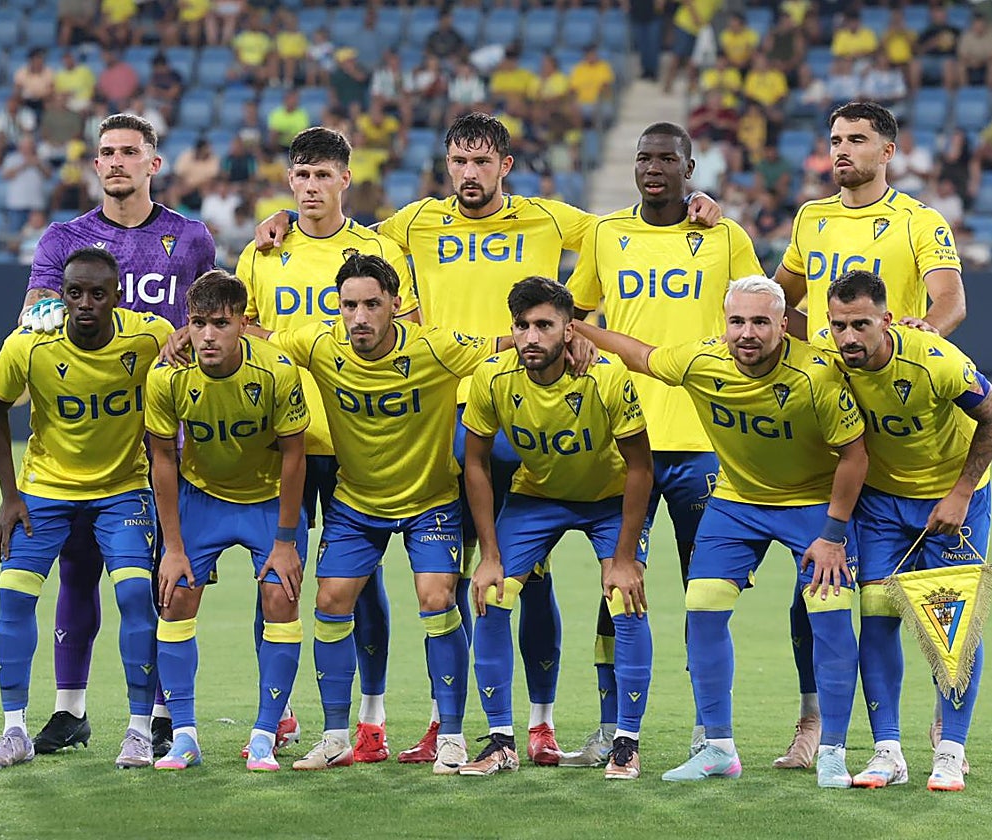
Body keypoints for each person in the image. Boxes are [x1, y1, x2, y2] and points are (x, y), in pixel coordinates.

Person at [252, 111, 723, 766]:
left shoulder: (552, 219)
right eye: (457, 162)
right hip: (453, 420)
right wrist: (281, 216)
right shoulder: (414, 222)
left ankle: (540, 721)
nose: (468, 175)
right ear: (446, 165)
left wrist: (696, 204)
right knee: (465, 578)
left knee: (531, 578)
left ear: (505, 165)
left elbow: (634, 228)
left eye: (481, 163)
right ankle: (460, 725)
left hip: (529, 415)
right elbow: (332, 226)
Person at [575, 276, 868, 788]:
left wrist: (834, 533)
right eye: (737, 321)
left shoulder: (818, 375)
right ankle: (718, 747)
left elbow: (854, 455)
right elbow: (643, 355)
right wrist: (579, 327)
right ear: (724, 324)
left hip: (811, 503)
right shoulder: (701, 361)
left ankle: (834, 752)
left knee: (829, 611)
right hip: (737, 502)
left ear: (784, 325)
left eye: (760, 321)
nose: (747, 332)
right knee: (704, 605)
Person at [561, 121, 763, 766]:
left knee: (705, 594)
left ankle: (711, 732)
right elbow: (579, 313)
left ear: (690, 166)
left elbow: (761, 309)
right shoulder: (606, 234)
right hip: (626, 440)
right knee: (616, 589)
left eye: (666, 159)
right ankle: (612, 728)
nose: (653, 167)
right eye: (644, 157)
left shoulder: (725, 235)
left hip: (706, 440)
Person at [771, 101, 964, 769]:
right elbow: (779, 299)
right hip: (830, 424)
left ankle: (948, 715)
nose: (842, 150)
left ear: (889, 150)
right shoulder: (811, 217)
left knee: (926, 597)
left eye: (856, 139)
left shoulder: (918, 221)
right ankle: (814, 725)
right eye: (834, 140)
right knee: (821, 581)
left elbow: (949, 302)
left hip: (900, 420)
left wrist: (922, 340)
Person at [262, 253, 510, 775]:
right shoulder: (319, 344)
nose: (359, 317)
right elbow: (255, 337)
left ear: (396, 306)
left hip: (430, 501)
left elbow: (504, 345)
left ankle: (453, 735)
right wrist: (186, 338)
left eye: (372, 304)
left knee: (437, 597)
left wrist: (573, 339)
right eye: (349, 305)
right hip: (356, 504)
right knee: (329, 600)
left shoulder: (437, 348)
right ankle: (335, 736)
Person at [19, 113, 216, 760]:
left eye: (130, 152)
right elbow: (38, 320)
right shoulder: (62, 238)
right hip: (83, 436)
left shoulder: (189, 240)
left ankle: (160, 713)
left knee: (161, 575)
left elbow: (205, 325)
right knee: (78, 572)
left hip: (164, 434)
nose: (117, 162)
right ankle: (69, 710)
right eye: (106, 153)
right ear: (95, 164)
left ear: (154, 164)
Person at [230, 126, 419, 764]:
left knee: (359, 583)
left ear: (346, 180)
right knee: (274, 574)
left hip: (349, 439)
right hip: (279, 437)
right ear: (290, 182)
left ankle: (371, 718)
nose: (311, 188)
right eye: (301, 176)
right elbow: (240, 324)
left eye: (324, 176)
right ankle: (277, 712)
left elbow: (409, 326)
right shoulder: (261, 251)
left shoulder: (374, 247)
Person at [0, 247, 171, 769]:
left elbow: (193, 354)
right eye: (74, 293)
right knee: (13, 597)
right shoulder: (31, 344)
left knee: (135, 595)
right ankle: (14, 730)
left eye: (97, 294)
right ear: (61, 295)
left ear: (117, 297)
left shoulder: (149, 337)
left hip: (122, 489)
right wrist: (9, 495)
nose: (84, 303)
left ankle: (136, 730)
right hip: (45, 489)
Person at [459, 277, 653, 780]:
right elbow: (475, 464)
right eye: (522, 326)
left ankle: (626, 743)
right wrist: (489, 555)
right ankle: (502, 740)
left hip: (609, 500)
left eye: (545, 325)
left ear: (570, 330)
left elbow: (640, 468)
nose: (531, 337)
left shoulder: (607, 378)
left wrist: (627, 558)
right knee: (492, 593)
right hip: (537, 496)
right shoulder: (493, 378)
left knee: (624, 598)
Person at [822, 270, 992, 792]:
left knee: (951, 626)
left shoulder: (935, 360)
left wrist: (961, 493)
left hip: (952, 503)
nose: (849, 337)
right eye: (839, 325)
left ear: (886, 319)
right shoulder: (829, 357)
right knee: (877, 616)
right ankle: (888, 751)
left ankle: (950, 749)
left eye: (860, 324)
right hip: (881, 505)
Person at [145, 270, 310, 771]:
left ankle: (264, 734)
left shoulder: (277, 371)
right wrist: (172, 547)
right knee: (173, 599)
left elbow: (294, 456)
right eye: (198, 323)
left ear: (242, 322)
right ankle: (185, 737)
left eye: (220, 323)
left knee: (280, 598)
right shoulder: (166, 376)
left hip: (268, 500)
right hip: (203, 498)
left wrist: (285, 541)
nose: (208, 335)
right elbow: (163, 462)